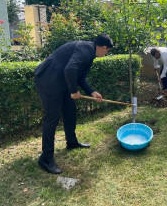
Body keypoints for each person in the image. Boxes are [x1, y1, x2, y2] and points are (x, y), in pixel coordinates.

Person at [34, 34, 113, 174]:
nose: (107, 54)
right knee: (51, 119)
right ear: (103, 47)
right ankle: (45, 159)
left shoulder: (91, 53)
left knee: (70, 111)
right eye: (108, 51)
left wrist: (92, 92)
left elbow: (79, 76)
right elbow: (70, 69)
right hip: (48, 80)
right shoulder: (85, 49)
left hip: (62, 81)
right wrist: (74, 91)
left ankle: (71, 142)